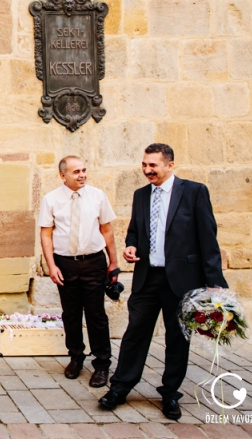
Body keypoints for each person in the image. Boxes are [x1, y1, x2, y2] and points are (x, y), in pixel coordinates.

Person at [99, 143, 228, 420]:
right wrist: (131, 246)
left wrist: (215, 284)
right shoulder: (140, 195)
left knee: (178, 339)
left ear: (170, 165)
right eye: (144, 165)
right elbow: (135, 230)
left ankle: (170, 394)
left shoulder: (194, 192)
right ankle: (120, 388)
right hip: (148, 278)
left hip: (182, 281)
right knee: (135, 334)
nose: (147, 170)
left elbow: (209, 239)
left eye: (153, 165)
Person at [39, 156, 119, 388]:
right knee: (71, 314)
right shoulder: (51, 199)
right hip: (66, 263)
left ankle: (102, 364)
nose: (82, 175)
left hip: (94, 262)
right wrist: (51, 265)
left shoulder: (97, 196)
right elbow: (46, 233)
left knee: (96, 315)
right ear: (63, 176)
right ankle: (75, 357)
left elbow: (107, 230)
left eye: (84, 170)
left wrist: (113, 262)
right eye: (76, 172)